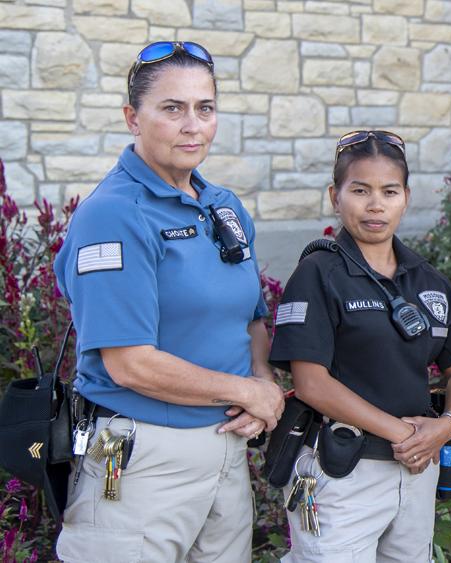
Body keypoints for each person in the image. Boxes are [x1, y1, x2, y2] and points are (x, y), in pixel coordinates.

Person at [53, 41, 285, 561]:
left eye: (205, 108)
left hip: (226, 451)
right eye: (172, 108)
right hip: (143, 462)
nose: (192, 125)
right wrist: (246, 391)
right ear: (133, 118)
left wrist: (263, 383)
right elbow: (131, 363)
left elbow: (249, 317)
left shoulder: (222, 205)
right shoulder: (113, 215)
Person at [268, 130, 451, 563]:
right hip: (341, 470)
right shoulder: (318, 273)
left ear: (406, 197)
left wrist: (447, 425)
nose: (375, 204)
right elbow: (310, 383)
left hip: (416, 470)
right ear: (335, 195)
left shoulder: (429, 282)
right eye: (359, 190)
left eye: (389, 191)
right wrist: (404, 433)